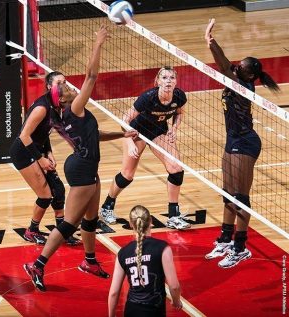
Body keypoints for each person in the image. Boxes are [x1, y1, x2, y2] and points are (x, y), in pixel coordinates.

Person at [23, 25, 138, 292]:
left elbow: (93, 135)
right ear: (61, 99)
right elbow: (92, 76)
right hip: (82, 168)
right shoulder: (74, 107)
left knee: (90, 219)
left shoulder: (61, 114)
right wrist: (97, 44)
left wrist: (121, 134)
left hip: (84, 164)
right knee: (68, 225)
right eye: (63, 87)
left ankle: (89, 261)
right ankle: (37, 265)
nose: (69, 87)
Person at [204, 18, 280, 268]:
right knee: (227, 194)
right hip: (233, 140)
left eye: (239, 67)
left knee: (240, 197)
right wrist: (211, 41)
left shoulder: (240, 84)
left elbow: (225, 67)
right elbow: (227, 65)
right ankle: (225, 239)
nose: (235, 67)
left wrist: (211, 43)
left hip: (246, 143)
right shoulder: (237, 77)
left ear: (245, 74)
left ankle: (240, 246)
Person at [99, 66, 191, 230]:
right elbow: (124, 120)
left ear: (176, 81)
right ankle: (107, 206)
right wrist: (128, 142)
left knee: (176, 169)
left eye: (171, 78)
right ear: (157, 81)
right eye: (164, 78)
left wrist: (174, 129)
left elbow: (179, 113)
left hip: (158, 131)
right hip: (136, 132)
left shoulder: (179, 96)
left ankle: (173, 215)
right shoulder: (147, 97)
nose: (168, 81)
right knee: (127, 175)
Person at [9, 71, 80, 246]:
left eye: (65, 81)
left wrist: (49, 153)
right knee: (45, 195)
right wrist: (40, 159)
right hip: (23, 152)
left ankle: (62, 232)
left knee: (58, 191)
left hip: (38, 150)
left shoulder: (57, 106)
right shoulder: (42, 108)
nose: (63, 85)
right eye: (59, 83)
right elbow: (25, 136)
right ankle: (31, 231)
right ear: (50, 87)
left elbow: (43, 133)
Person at [108, 205, 183, 316]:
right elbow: (174, 286)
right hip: (154, 311)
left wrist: (111, 315)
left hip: (131, 311)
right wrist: (176, 301)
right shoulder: (162, 248)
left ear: (130, 224)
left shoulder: (123, 253)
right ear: (151, 221)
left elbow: (114, 293)